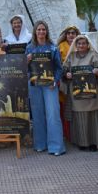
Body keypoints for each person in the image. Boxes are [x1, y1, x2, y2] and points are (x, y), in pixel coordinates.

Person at [25, 21, 65, 155]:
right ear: (35, 32)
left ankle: (56, 146)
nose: (41, 32)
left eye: (43, 30)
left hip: (49, 85)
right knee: (37, 115)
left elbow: (59, 68)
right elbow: (25, 68)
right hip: (35, 85)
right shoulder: (29, 48)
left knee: (53, 114)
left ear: (46, 31)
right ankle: (40, 144)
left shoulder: (53, 48)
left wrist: (56, 80)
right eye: (39, 30)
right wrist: (27, 60)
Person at [63, 35, 98, 152]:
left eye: (83, 43)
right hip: (77, 92)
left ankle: (94, 143)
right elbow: (64, 71)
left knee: (95, 117)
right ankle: (82, 142)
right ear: (75, 45)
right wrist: (67, 75)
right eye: (79, 43)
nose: (81, 45)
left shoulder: (94, 55)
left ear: (88, 44)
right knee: (80, 118)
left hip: (93, 93)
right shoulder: (71, 57)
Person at [56, 25, 80, 141]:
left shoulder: (81, 44)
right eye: (69, 33)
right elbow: (58, 63)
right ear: (66, 35)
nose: (71, 35)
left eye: (73, 33)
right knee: (65, 107)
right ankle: (67, 134)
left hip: (78, 81)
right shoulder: (61, 46)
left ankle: (78, 133)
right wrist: (65, 74)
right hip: (65, 80)